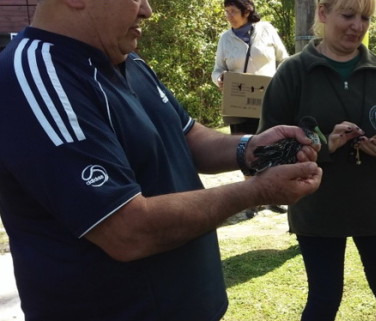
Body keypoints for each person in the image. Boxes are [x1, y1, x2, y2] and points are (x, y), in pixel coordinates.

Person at [0, 0, 323, 320]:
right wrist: (259, 191)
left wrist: (253, 146)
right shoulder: (35, 76)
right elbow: (126, 231)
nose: (147, 10)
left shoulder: (127, 59)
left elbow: (187, 137)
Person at [257, 0, 376, 319]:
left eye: (365, 18)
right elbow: (268, 150)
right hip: (317, 209)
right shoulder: (293, 73)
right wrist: (322, 145)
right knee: (324, 297)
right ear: (322, 14)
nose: (357, 26)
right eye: (347, 15)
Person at [212, 0, 289, 218]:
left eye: (233, 11)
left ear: (247, 11)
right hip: (237, 102)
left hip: (268, 100)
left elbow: (284, 60)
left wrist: (280, 83)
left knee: (272, 146)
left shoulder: (267, 30)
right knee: (244, 148)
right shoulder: (225, 39)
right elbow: (217, 69)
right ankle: (252, 200)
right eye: (226, 11)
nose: (228, 15)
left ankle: (274, 196)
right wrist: (219, 79)